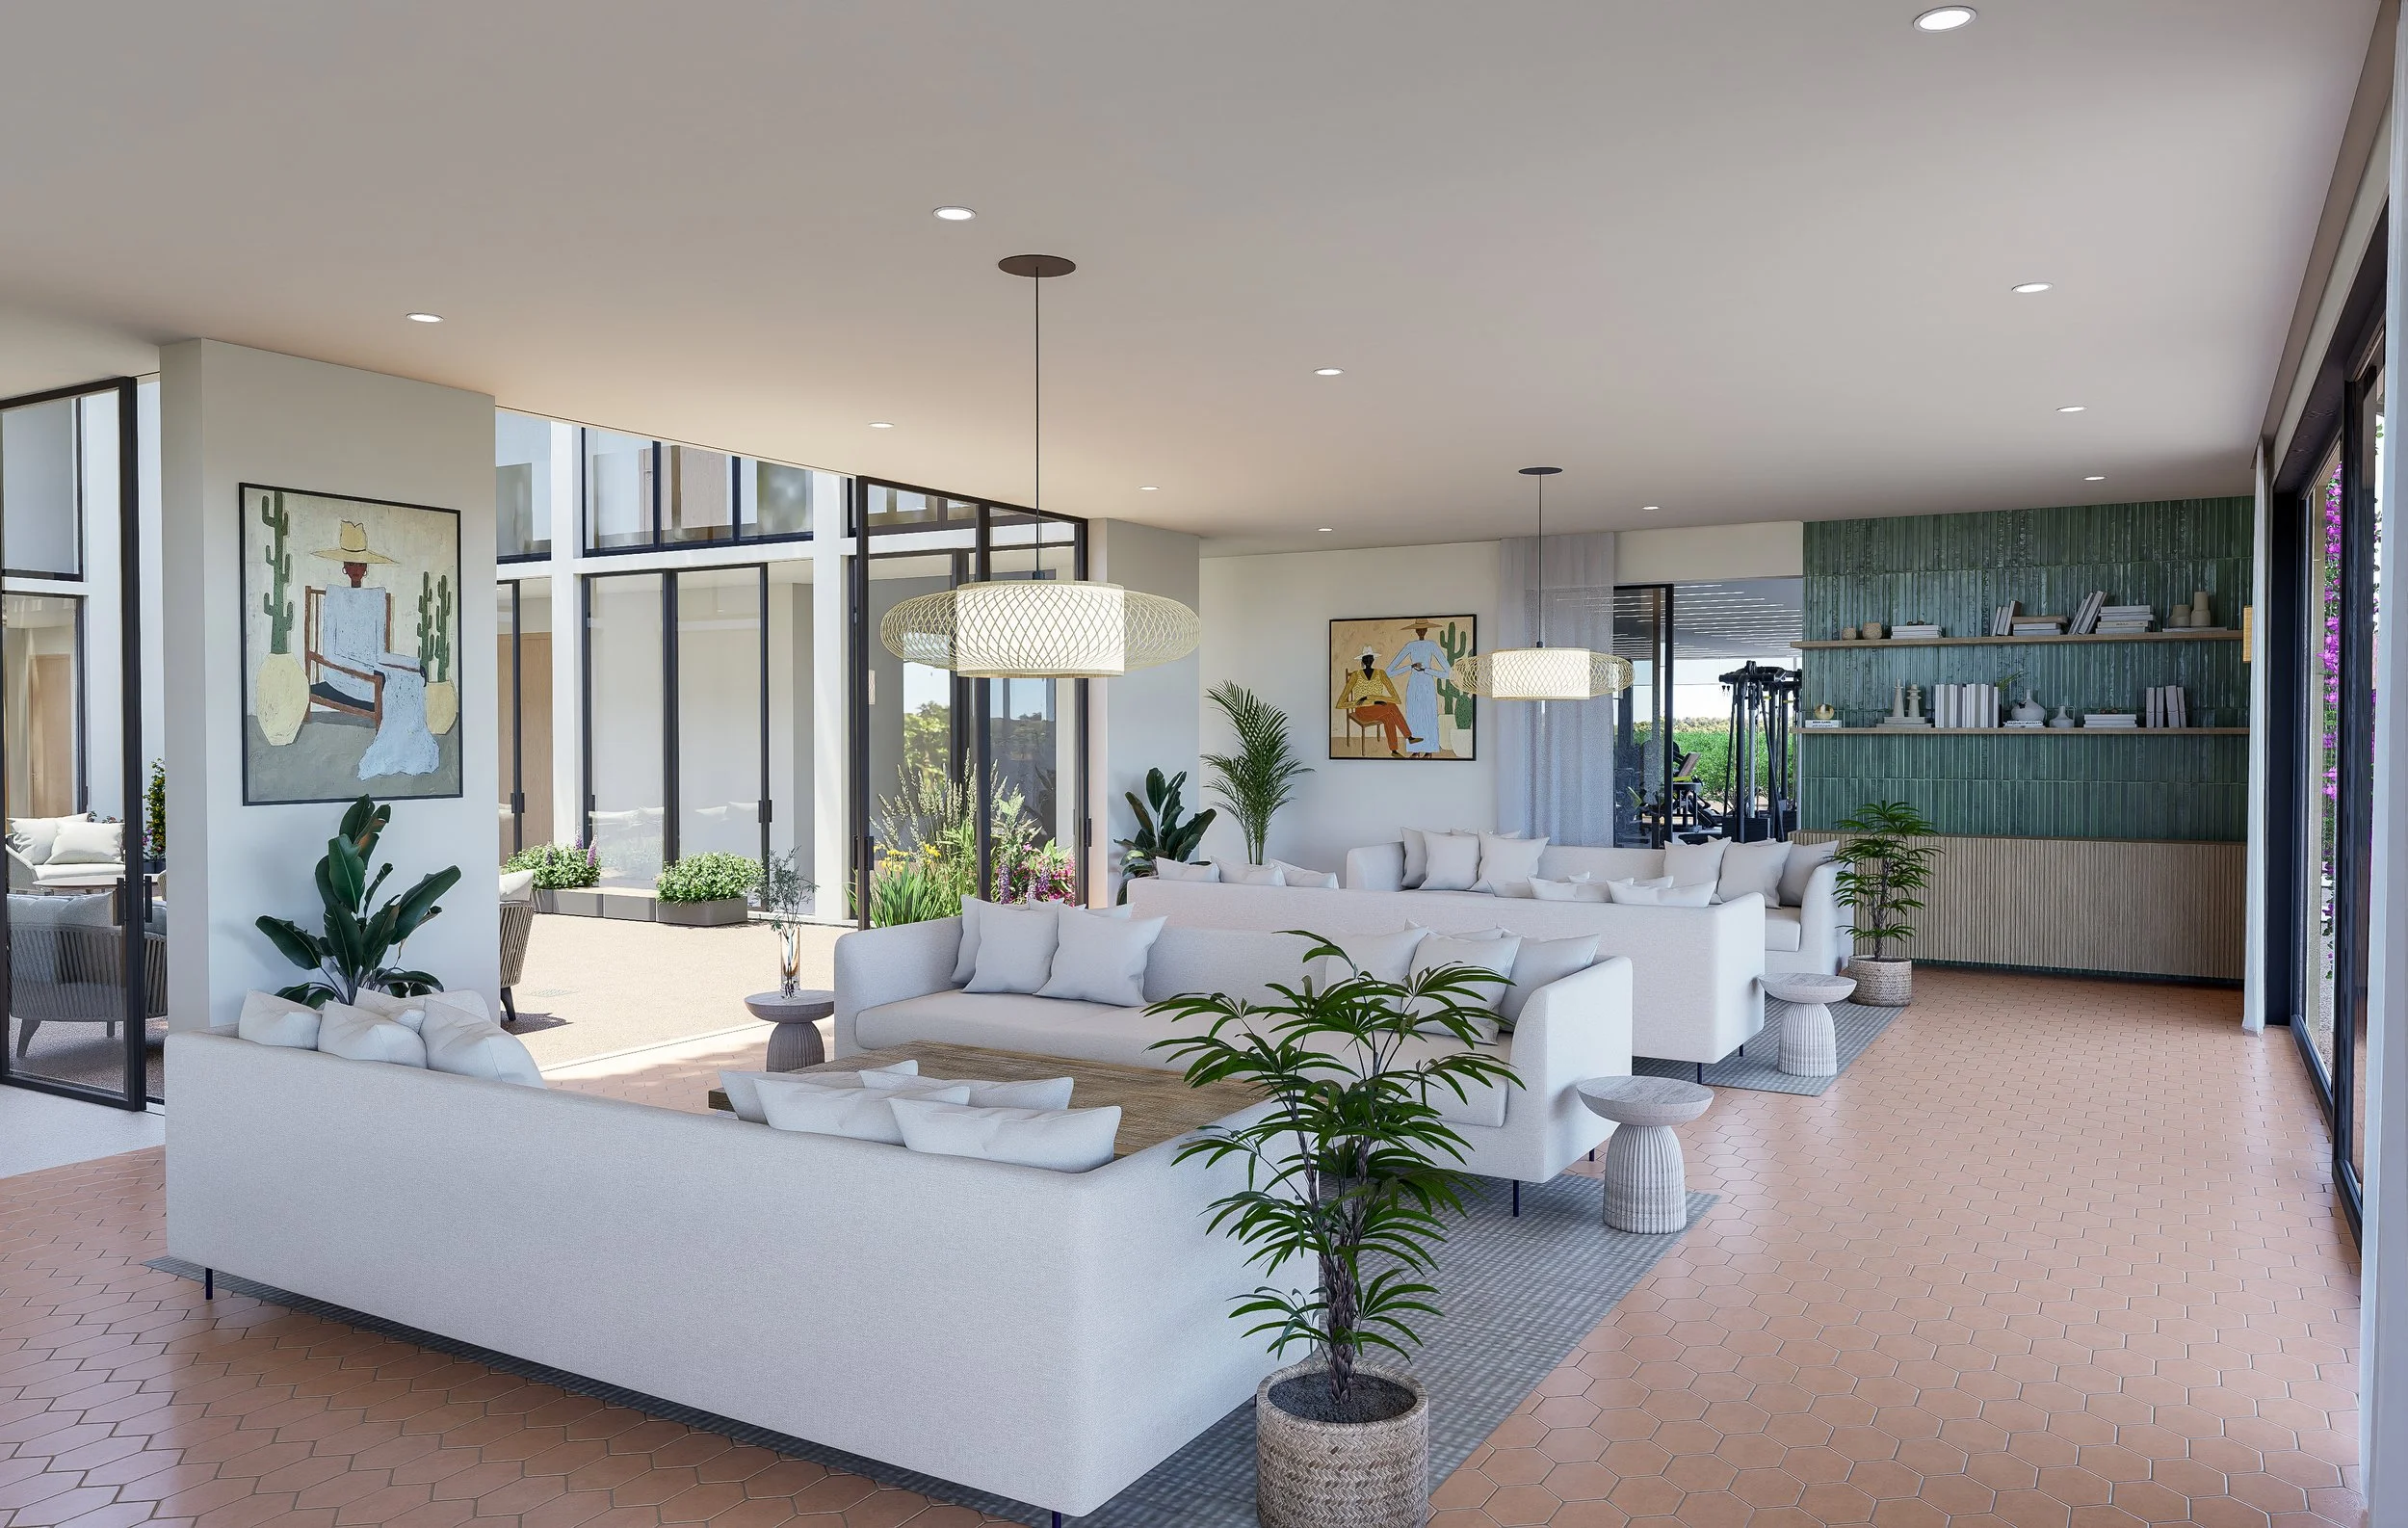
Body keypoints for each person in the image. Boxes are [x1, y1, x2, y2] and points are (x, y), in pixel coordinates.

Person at [1386, 620, 1453, 757]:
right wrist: (1410, 666)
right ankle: (1415, 750)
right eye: (1418, 629)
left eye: (1423, 629)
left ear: (1426, 630)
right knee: (1414, 716)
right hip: (1414, 686)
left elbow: (1448, 673)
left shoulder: (1431, 645)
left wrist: (1426, 670)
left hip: (1427, 684)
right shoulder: (1410, 646)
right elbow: (1389, 671)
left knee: (1429, 717)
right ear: (1416, 631)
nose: (1421, 631)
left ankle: (1429, 750)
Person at [1337, 645, 1417, 755]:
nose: (1368, 660)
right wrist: (1368, 702)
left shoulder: (1381, 673)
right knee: (1392, 707)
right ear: (1362, 660)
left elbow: (1396, 698)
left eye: (1370, 658)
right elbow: (1340, 703)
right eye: (1366, 658)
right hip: (1362, 711)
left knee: (1389, 716)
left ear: (1373, 659)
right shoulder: (1355, 675)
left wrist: (1372, 698)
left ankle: (1394, 750)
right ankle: (1409, 736)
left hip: (1377, 709)